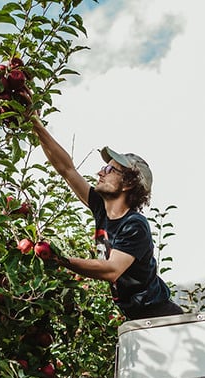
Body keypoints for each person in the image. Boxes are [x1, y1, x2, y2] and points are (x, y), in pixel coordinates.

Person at [30, 114, 183, 321]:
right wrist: (35, 124)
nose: (100, 172)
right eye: (103, 167)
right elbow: (67, 169)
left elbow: (111, 270)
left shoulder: (134, 224)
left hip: (161, 318)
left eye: (110, 169)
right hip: (139, 319)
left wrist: (59, 258)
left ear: (128, 183)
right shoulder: (101, 209)